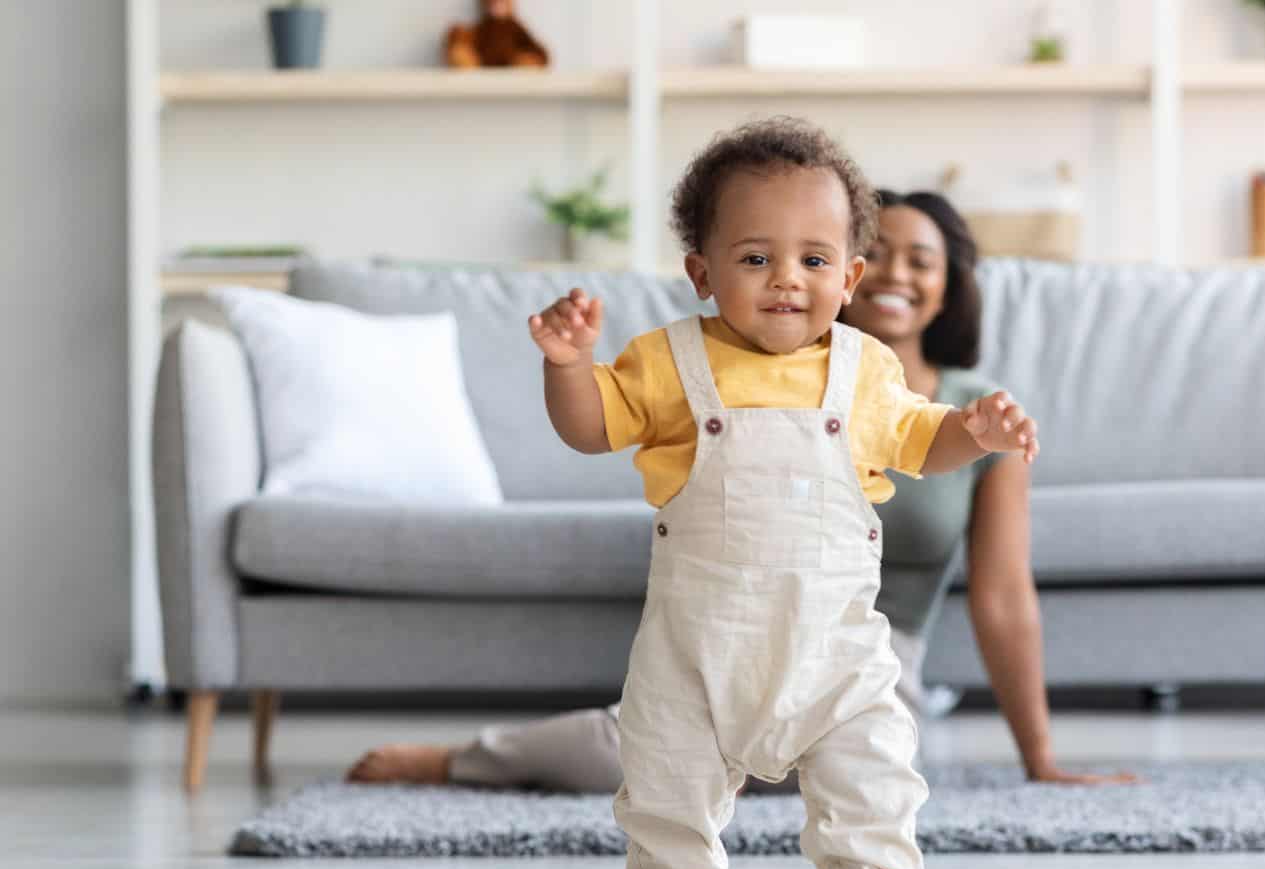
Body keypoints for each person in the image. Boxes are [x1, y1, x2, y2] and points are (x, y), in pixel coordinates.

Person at [348, 189, 1133, 797]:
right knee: (661, 747)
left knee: (841, 763)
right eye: (880, 251)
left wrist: (1042, 761)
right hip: (733, 612)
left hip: (866, 648)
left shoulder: (977, 413)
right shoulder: (731, 372)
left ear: (949, 283)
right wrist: (571, 368)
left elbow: (1002, 598)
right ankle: (466, 760)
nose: (898, 273)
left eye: (921, 259)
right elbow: (606, 426)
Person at [541, 116, 1039, 869]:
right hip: (696, 651)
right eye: (754, 258)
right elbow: (590, 430)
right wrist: (568, 365)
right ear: (702, 272)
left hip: (833, 651)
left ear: (849, 277)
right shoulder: (668, 362)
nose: (785, 281)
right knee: (667, 786)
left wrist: (975, 431)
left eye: (813, 260)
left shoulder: (866, 370)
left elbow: (924, 444)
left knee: (874, 778)